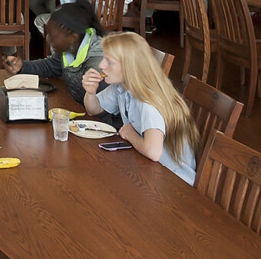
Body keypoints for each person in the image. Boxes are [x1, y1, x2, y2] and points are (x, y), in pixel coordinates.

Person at [81, 32, 199, 184]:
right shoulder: (122, 87)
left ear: (129, 66)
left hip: (174, 181)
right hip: (150, 169)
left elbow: (153, 152)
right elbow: (94, 109)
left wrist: (129, 134)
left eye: (109, 61)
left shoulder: (147, 101)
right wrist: (90, 92)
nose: (101, 65)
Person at [5, 0, 104, 103]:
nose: (48, 39)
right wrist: (23, 66)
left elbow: (101, 106)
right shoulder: (71, 47)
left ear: (72, 37)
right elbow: (51, 66)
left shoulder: (97, 63)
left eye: (52, 35)